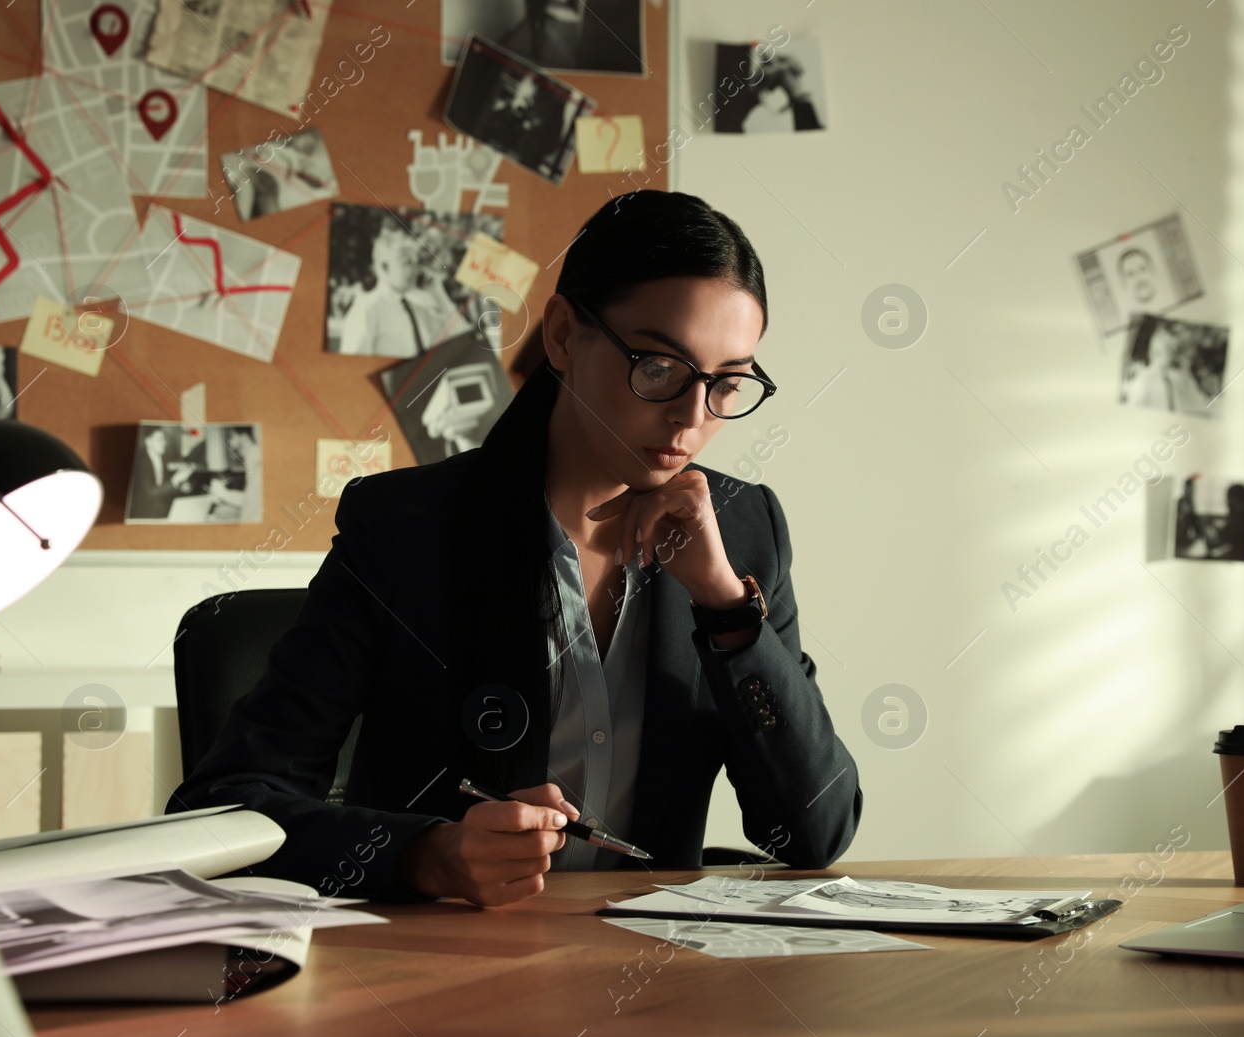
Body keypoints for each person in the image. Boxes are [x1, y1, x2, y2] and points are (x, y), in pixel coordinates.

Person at [170, 190, 862, 907]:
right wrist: (423, 854)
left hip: (649, 971)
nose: (693, 416)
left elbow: (815, 830)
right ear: (563, 334)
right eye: (659, 366)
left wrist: (724, 606)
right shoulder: (406, 526)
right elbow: (222, 808)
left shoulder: (744, 532)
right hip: (443, 977)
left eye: (727, 382)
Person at [337, 225, 471, 357]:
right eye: (407, 262)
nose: (416, 269)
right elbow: (351, 368)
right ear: (385, 267)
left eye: (416, 262)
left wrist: (440, 295)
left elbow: (462, 340)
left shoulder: (422, 306)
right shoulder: (367, 309)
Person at [127, 426, 197, 520]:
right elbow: (149, 493)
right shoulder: (139, 462)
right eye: (160, 439)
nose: (164, 443)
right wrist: (175, 481)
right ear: (148, 442)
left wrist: (181, 488)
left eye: (164, 439)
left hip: (163, 510)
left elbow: (165, 487)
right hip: (143, 514)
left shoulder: (164, 458)